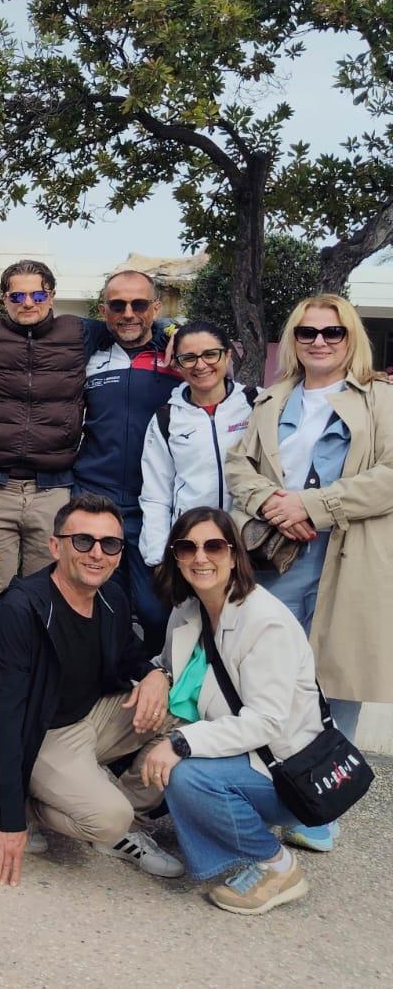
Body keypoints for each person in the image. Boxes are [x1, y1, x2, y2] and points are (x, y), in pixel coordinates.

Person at [0, 494, 183, 887]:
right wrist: (9, 820)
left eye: (109, 544)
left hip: (91, 718)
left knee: (180, 706)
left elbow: (128, 655)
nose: (97, 554)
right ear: (55, 545)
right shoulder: (21, 610)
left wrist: (154, 675)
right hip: (37, 736)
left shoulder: (110, 594)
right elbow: (3, 718)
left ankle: (121, 826)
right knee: (110, 816)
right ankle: (39, 808)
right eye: (83, 541)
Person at [139, 508, 327, 915]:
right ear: (175, 556)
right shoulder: (189, 608)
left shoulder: (265, 621)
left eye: (214, 546)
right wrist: (157, 674)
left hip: (287, 770)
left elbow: (267, 721)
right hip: (251, 754)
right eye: (186, 547)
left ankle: (276, 864)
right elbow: (174, 666)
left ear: (235, 554)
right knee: (162, 746)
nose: (200, 558)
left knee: (185, 774)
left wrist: (181, 743)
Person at [225, 293, 393, 744]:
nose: (319, 341)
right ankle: (273, 793)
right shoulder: (271, 400)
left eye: (332, 331)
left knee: (336, 690)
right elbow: (240, 466)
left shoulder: (380, 398)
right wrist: (271, 504)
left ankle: (322, 810)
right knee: (267, 679)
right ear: (294, 338)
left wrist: (313, 506)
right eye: (307, 331)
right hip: (278, 559)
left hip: (349, 559)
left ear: (350, 338)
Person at [0, 259, 90, 606]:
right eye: (16, 296)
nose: (28, 303)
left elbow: (133, 324)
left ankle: (40, 660)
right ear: (3, 299)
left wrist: (170, 332)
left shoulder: (79, 333)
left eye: (37, 294)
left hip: (52, 490)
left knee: (48, 592)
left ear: (51, 295)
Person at [71, 270, 181, 650]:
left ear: (155, 308)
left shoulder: (179, 356)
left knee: (155, 610)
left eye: (139, 304)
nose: (128, 313)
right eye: (118, 305)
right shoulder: (88, 356)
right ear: (104, 310)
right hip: (95, 499)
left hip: (155, 505)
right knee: (101, 607)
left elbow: (224, 372)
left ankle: (156, 680)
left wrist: (171, 331)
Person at [138, 321, 255, 570]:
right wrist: (158, 557)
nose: (201, 365)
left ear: (228, 355)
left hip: (250, 541)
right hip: (194, 546)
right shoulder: (166, 419)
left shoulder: (257, 404)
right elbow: (156, 494)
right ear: (177, 364)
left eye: (211, 354)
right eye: (188, 358)